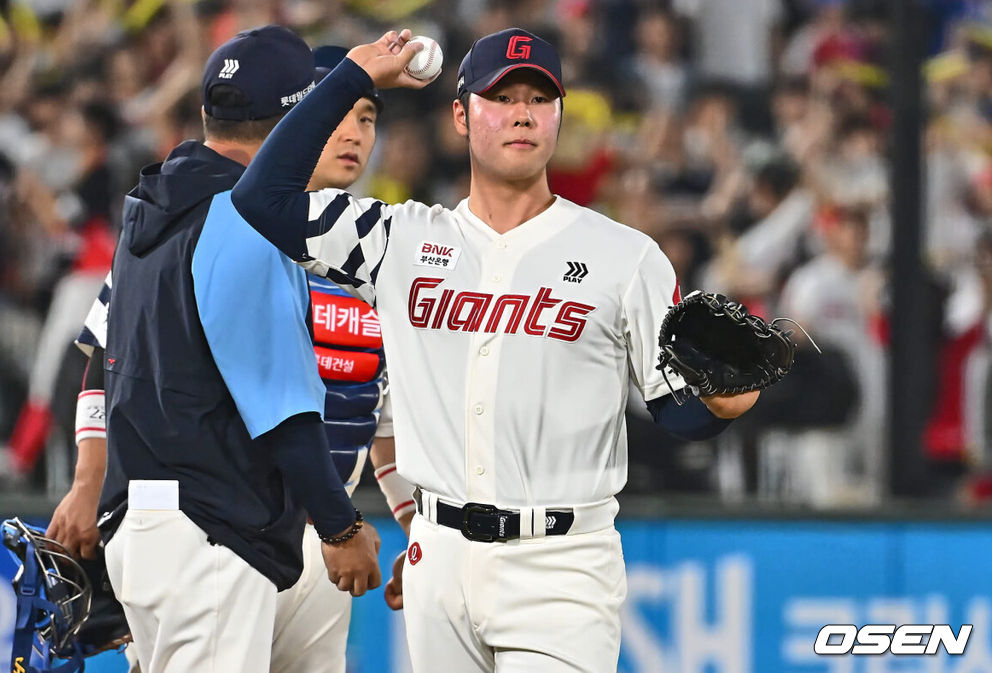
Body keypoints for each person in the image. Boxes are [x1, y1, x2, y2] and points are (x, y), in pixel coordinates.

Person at [232, 27, 761, 673]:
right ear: (461, 115)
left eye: (538, 99)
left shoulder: (626, 258)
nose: (520, 112)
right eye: (499, 96)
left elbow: (676, 413)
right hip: (439, 556)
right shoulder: (399, 237)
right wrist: (353, 75)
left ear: (559, 116)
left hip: (562, 563)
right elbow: (261, 199)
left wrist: (725, 405)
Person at [48, 40, 415, 673]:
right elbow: (279, 405)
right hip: (225, 526)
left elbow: (378, 416)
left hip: (191, 522)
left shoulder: (159, 202)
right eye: (335, 111)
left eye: (366, 116)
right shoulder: (243, 222)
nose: (350, 130)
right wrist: (342, 526)